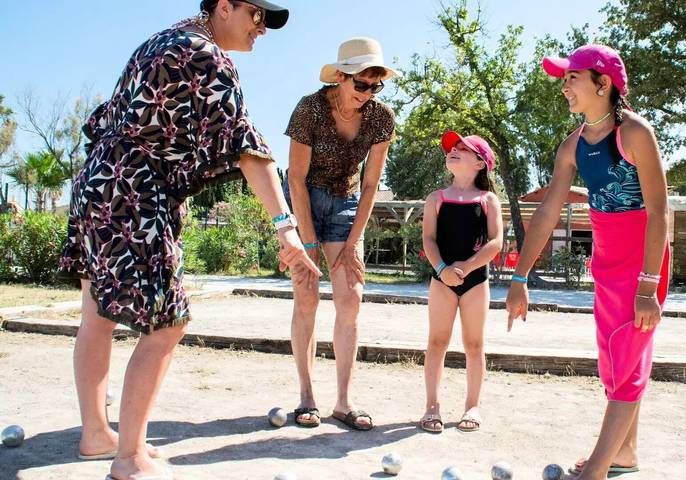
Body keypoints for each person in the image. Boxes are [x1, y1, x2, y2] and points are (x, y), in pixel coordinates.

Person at [58, 2, 320, 478]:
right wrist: (287, 228)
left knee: (97, 314)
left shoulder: (158, 42)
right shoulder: (207, 56)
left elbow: (108, 120)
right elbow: (249, 151)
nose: (262, 29)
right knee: (167, 323)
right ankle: (129, 458)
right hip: (136, 194)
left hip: (98, 184)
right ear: (224, 6)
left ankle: (96, 433)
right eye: (257, 15)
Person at [505, 44, 670, 479]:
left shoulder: (634, 132)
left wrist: (648, 286)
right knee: (613, 357)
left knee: (626, 353)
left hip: (642, 258)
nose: (564, 87)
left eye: (572, 78)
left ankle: (596, 468)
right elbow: (547, 211)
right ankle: (625, 453)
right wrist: (520, 277)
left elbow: (659, 212)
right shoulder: (573, 145)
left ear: (603, 83)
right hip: (606, 256)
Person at [283, 37, 397, 431]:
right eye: (361, 84)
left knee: (350, 297)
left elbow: (370, 184)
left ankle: (344, 402)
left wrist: (352, 243)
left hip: (347, 203)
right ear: (341, 77)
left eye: (375, 86)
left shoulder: (382, 118)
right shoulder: (310, 109)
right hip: (306, 200)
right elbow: (295, 179)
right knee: (307, 295)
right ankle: (306, 396)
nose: (367, 93)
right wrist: (307, 244)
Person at [419, 131, 502, 433]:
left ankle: (472, 406)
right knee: (436, 342)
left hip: (475, 282)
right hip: (441, 280)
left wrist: (466, 268)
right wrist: (442, 269)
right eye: (451, 148)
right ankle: (432, 407)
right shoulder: (436, 199)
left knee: (474, 344)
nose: (452, 150)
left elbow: (495, 242)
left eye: (462, 148)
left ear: (480, 163)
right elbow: (429, 239)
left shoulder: (488, 200)